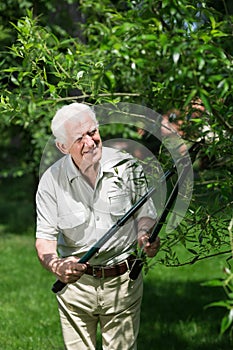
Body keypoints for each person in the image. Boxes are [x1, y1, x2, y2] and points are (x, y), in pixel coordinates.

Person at [35, 102, 160, 350]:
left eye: (92, 132)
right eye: (79, 138)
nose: (90, 142)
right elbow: (44, 239)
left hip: (124, 282)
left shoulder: (128, 167)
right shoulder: (51, 182)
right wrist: (57, 266)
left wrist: (145, 236)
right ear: (62, 146)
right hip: (76, 290)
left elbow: (145, 216)